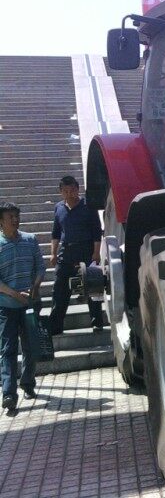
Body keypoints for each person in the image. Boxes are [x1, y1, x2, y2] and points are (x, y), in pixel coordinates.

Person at [0, 202, 46, 413]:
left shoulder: (30, 239)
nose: (15, 220)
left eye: (16, 216)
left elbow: (40, 267)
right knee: (8, 350)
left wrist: (35, 288)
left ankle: (28, 383)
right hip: (6, 307)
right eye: (10, 217)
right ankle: (9, 394)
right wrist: (15, 294)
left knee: (30, 347)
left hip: (30, 305)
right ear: (1, 222)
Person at [49, 176, 103, 335]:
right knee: (59, 289)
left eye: (72, 190)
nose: (69, 194)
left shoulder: (88, 206)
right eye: (65, 191)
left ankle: (97, 322)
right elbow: (56, 233)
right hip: (66, 252)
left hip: (86, 251)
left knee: (92, 286)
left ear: (77, 189)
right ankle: (55, 325)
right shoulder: (59, 208)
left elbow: (96, 231)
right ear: (61, 192)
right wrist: (53, 253)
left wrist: (96, 253)